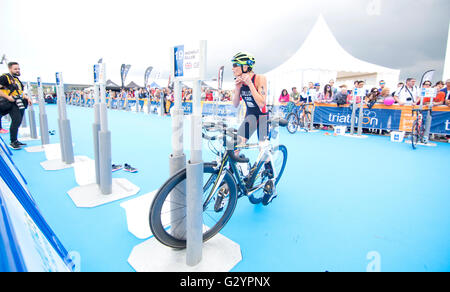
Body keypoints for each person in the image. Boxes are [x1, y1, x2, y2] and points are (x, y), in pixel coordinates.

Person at [0, 62, 32, 149]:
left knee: (18, 122)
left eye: (18, 68)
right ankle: (13, 142)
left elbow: (20, 92)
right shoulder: (4, 77)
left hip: (19, 102)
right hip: (11, 102)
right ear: (10, 69)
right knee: (16, 120)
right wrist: (8, 97)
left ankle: (15, 140)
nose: (17, 70)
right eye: (15, 69)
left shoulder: (16, 80)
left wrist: (27, 98)